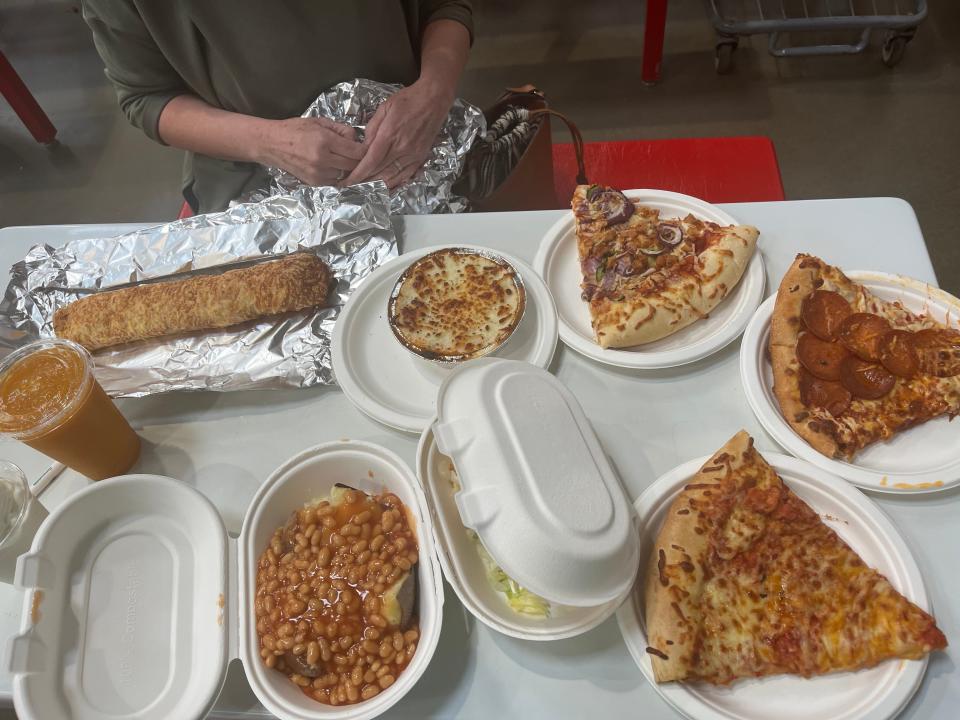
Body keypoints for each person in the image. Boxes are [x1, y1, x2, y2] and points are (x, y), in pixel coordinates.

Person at [80, 1, 473, 214]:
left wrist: (434, 91)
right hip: (250, 179)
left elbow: (445, 8)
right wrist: (269, 143)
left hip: (422, 149)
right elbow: (145, 97)